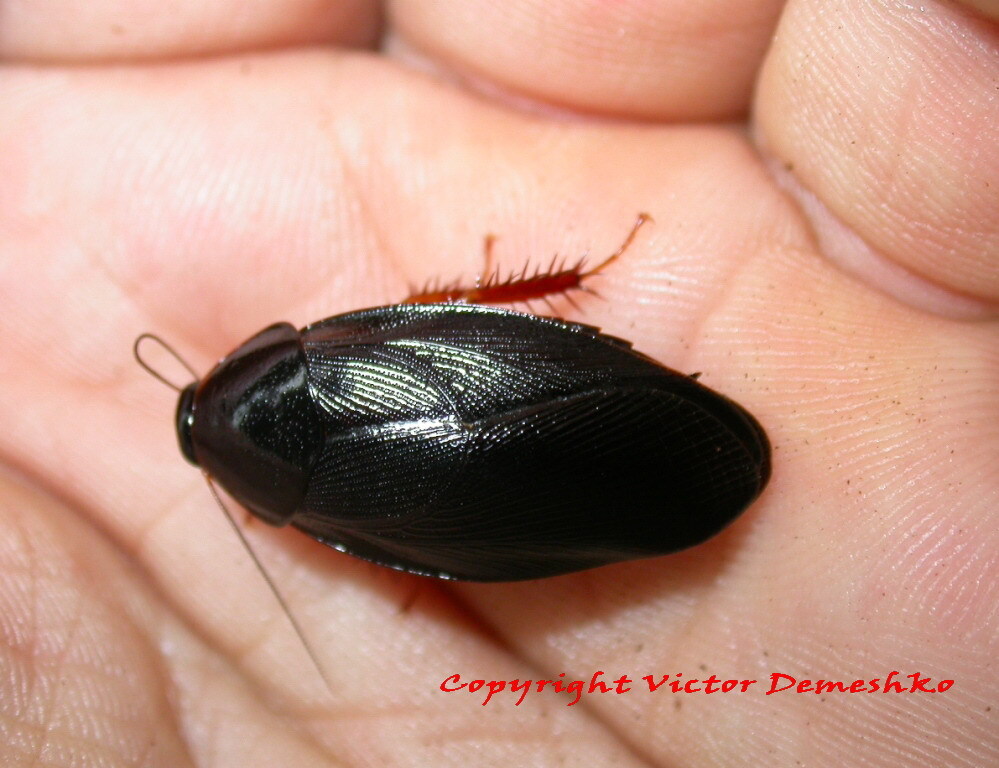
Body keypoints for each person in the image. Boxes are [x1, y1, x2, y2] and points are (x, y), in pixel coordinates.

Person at [0, 1, 995, 765]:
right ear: (265, 352)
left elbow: (421, 549)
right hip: (503, 413)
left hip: (478, 521)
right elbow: (450, 306)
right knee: (455, 300)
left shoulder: (321, 525)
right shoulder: (327, 362)